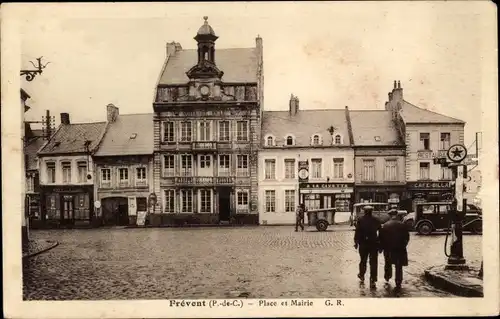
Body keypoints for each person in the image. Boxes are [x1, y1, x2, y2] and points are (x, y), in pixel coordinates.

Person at [379, 208, 410, 290]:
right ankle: (398, 281)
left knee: (388, 263)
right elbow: (407, 237)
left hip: (388, 249)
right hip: (400, 248)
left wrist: (381, 248)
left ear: (390, 215)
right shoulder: (402, 225)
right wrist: (404, 245)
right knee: (399, 266)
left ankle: (387, 277)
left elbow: (381, 238)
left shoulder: (385, 225)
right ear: (396, 215)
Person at [354, 205, 381, 288]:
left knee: (363, 260)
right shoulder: (376, 220)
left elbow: (357, 232)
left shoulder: (360, 220)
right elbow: (380, 231)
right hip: (373, 244)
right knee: (373, 262)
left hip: (363, 244)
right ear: (371, 211)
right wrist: (380, 243)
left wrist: (356, 242)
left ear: (364, 211)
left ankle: (362, 275)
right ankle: (373, 279)